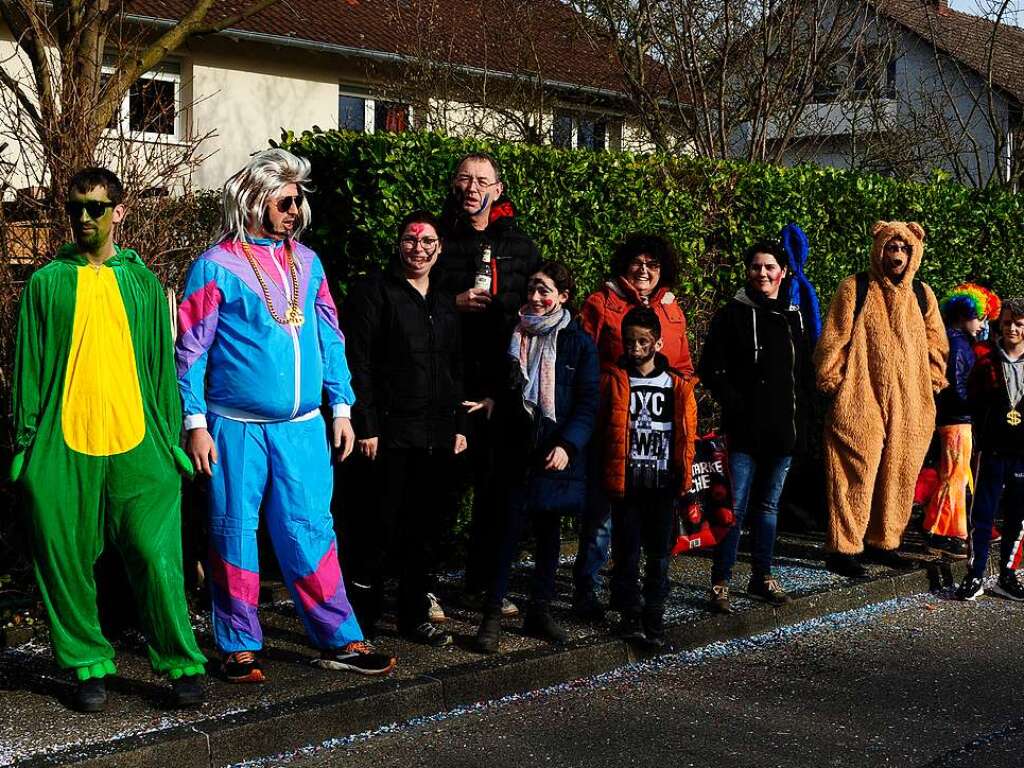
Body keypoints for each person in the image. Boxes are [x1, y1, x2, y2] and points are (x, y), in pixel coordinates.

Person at [176, 149, 395, 682]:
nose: (294, 210)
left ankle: (339, 637)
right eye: (285, 201)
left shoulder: (309, 262)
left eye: (298, 201)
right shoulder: (215, 265)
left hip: (302, 429)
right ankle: (237, 643)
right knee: (233, 531)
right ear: (254, 201)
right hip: (235, 428)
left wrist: (341, 409)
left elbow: (330, 336)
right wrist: (195, 423)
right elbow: (189, 348)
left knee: (311, 530)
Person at [12, 167, 206, 712]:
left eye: (96, 207)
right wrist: (25, 445)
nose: (84, 217)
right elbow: (28, 366)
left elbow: (160, 369)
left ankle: (180, 660)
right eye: (76, 207)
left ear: (118, 212)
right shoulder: (47, 283)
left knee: (154, 551)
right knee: (62, 553)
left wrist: (171, 437)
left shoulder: (142, 284)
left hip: (138, 441)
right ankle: (87, 664)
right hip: (61, 442)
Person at [342, 211, 467, 646]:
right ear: (398, 244)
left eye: (428, 241)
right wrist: (366, 424)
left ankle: (415, 615)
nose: (419, 249)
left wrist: (459, 423)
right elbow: (357, 361)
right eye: (411, 240)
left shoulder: (445, 299)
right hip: (388, 435)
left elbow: (454, 365)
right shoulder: (374, 291)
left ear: (440, 247)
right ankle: (361, 620)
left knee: (425, 532)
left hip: (436, 434)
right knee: (377, 530)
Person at [474, 262, 599, 654]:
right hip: (514, 448)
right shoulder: (513, 333)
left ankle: (539, 612)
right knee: (505, 534)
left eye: (545, 291)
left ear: (563, 297)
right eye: (532, 289)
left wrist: (568, 445)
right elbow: (498, 379)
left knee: (548, 535)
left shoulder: (579, 343)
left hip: (553, 452)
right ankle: (491, 615)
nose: (536, 298)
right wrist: (491, 398)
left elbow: (588, 401)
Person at [439, 152, 541, 615]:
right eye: (465, 178)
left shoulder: (519, 245)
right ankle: (424, 589)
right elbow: (409, 299)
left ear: (498, 190)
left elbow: (539, 309)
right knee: (441, 491)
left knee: (497, 494)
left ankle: (483, 586)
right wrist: (450, 302)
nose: (473, 187)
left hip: (503, 386)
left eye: (483, 180)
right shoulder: (433, 238)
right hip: (449, 379)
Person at [816, 221, 948, 577]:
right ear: (879, 249)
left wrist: (933, 379)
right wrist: (833, 381)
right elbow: (834, 338)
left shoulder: (923, 294)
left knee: (900, 469)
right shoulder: (855, 288)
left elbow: (937, 342)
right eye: (892, 248)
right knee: (855, 467)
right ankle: (844, 547)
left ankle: (885, 540)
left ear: (914, 252)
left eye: (904, 249)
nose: (898, 255)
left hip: (912, 399)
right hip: (861, 394)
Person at [573, 234, 694, 620]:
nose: (644, 271)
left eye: (653, 264)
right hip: (609, 431)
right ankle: (588, 590)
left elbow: (686, 369)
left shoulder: (672, 310)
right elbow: (581, 361)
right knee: (601, 520)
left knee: (648, 527)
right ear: (624, 264)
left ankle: (636, 597)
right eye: (637, 263)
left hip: (655, 441)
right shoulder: (599, 303)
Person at [697, 240, 816, 613]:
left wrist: (804, 426)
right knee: (735, 506)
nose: (761, 273)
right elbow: (711, 367)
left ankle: (762, 575)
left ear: (783, 272)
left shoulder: (795, 316)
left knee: (768, 507)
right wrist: (737, 403)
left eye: (769, 267)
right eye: (755, 267)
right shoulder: (732, 314)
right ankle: (721, 581)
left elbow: (802, 378)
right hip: (744, 431)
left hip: (783, 432)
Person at [600, 307, 697, 647]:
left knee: (658, 556)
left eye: (643, 341)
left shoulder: (676, 385)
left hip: (662, 483)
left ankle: (654, 621)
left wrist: (682, 476)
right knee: (626, 554)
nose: (636, 348)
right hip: (627, 482)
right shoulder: (613, 380)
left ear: (658, 343)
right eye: (630, 341)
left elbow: (686, 434)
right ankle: (630, 617)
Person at [922, 284, 999, 558]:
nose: (982, 324)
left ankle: (949, 531)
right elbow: (956, 386)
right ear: (964, 314)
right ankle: (938, 532)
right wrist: (979, 406)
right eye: (980, 318)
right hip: (957, 419)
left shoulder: (959, 342)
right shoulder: (958, 345)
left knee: (954, 475)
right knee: (953, 476)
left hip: (957, 419)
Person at [956, 298, 1024, 601]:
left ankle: (1007, 575)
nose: (1011, 328)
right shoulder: (985, 359)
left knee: (1017, 515)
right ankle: (976, 575)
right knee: (982, 514)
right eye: (1007, 322)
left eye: (1019, 324)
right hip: (993, 450)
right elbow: (972, 399)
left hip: (1023, 453)